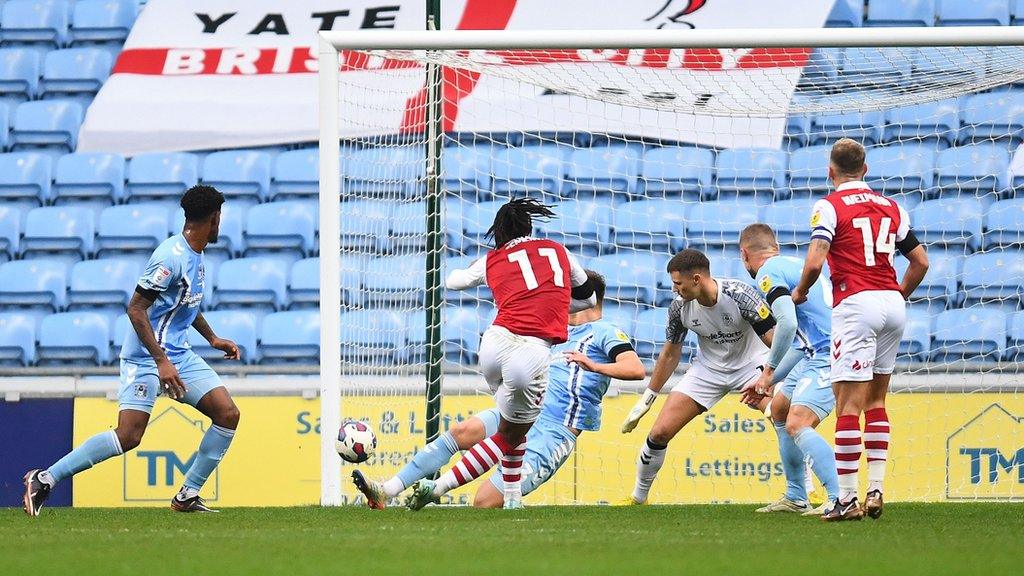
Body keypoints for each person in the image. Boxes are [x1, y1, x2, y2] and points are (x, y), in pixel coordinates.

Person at [23, 185, 242, 516]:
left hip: (179, 356)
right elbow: (136, 308)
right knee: (129, 436)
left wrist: (212, 338)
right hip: (146, 357)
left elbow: (185, 304)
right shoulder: (170, 257)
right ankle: (44, 479)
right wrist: (160, 361)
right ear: (214, 218)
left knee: (227, 414)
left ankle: (187, 496)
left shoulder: (195, 256)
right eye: (219, 218)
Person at [352, 270, 644, 508]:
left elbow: (635, 369)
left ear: (582, 298)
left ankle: (502, 512)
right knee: (460, 433)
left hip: (555, 430)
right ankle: (387, 490)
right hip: (526, 408)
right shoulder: (558, 332)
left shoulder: (605, 331)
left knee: (484, 502)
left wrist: (594, 366)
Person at [403, 198, 596, 510]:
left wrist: (482, 272)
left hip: (493, 345)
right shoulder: (557, 251)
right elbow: (588, 298)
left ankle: (512, 498)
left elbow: (454, 282)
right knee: (510, 434)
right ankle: (438, 487)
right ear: (531, 226)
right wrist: (552, 304)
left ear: (501, 232)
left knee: (506, 422)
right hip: (531, 351)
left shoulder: (494, 258)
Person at [792, 138, 928, 521]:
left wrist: (800, 291)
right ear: (865, 170)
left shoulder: (828, 206)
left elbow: (816, 261)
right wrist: (897, 295)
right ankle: (877, 488)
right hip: (892, 303)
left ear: (830, 172)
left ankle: (846, 499)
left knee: (847, 403)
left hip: (856, 303)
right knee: (877, 401)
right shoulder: (892, 206)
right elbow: (920, 262)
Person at [620, 248, 776, 505]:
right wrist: (647, 399)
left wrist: (772, 376)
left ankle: (802, 491)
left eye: (677, 283)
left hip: (752, 365)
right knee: (659, 432)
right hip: (708, 370)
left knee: (781, 416)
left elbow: (774, 339)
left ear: (696, 280)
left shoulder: (740, 296)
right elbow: (670, 355)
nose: (674, 289)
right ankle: (638, 498)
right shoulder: (679, 308)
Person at [739, 223, 839, 516]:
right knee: (780, 409)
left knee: (798, 423)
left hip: (829, 354)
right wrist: (767, 379)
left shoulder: (768, 274)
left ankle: (839, 497)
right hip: (815, 351)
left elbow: (788, 324)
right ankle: (796, 496)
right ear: (775, 247)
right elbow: (800, 340)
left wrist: (768, 369)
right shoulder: (794, 264)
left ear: (745, 255)